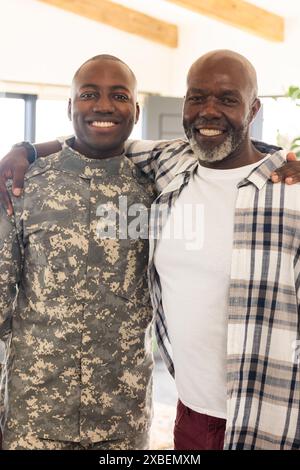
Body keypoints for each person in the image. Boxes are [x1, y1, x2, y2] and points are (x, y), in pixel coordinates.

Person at [1, 50, 300, 450]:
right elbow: (96, 138)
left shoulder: (281, 193)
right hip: (58, 413)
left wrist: (287, 160)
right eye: (197, 97)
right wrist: (25, 149)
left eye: (228, 99)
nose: (209, 110)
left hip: (229, 418)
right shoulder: (162, 168)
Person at [0, 54, 156, 450]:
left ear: (136, 110)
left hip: (122, 415)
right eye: (89, 94)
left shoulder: (155, 191)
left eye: (118, 95)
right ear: (70, 107)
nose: (103, 106)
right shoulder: (25, 184)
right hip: (35, 413)